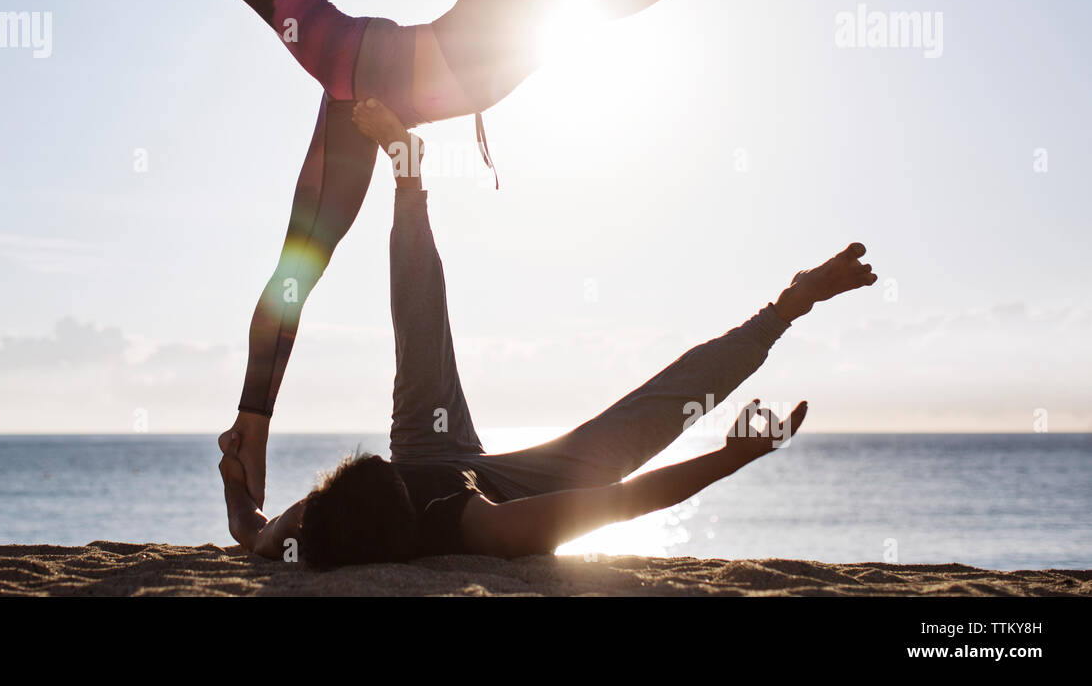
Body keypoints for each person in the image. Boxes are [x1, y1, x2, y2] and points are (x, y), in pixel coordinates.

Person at [205, 0, 866, 507]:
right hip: (353, 54)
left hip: (369, 107)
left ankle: (245, 438)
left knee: (300, 267)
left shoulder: (575, 2)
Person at [220, 98, 878, 566]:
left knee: (419, 325)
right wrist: (735, 457)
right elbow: (620, 502)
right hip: (518, 487)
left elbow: (248, 532)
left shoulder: (316, 523)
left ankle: (408, 171)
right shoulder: (483, 527)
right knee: (642, 427)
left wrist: (233, 476)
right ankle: (790, 306)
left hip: (426, 442)